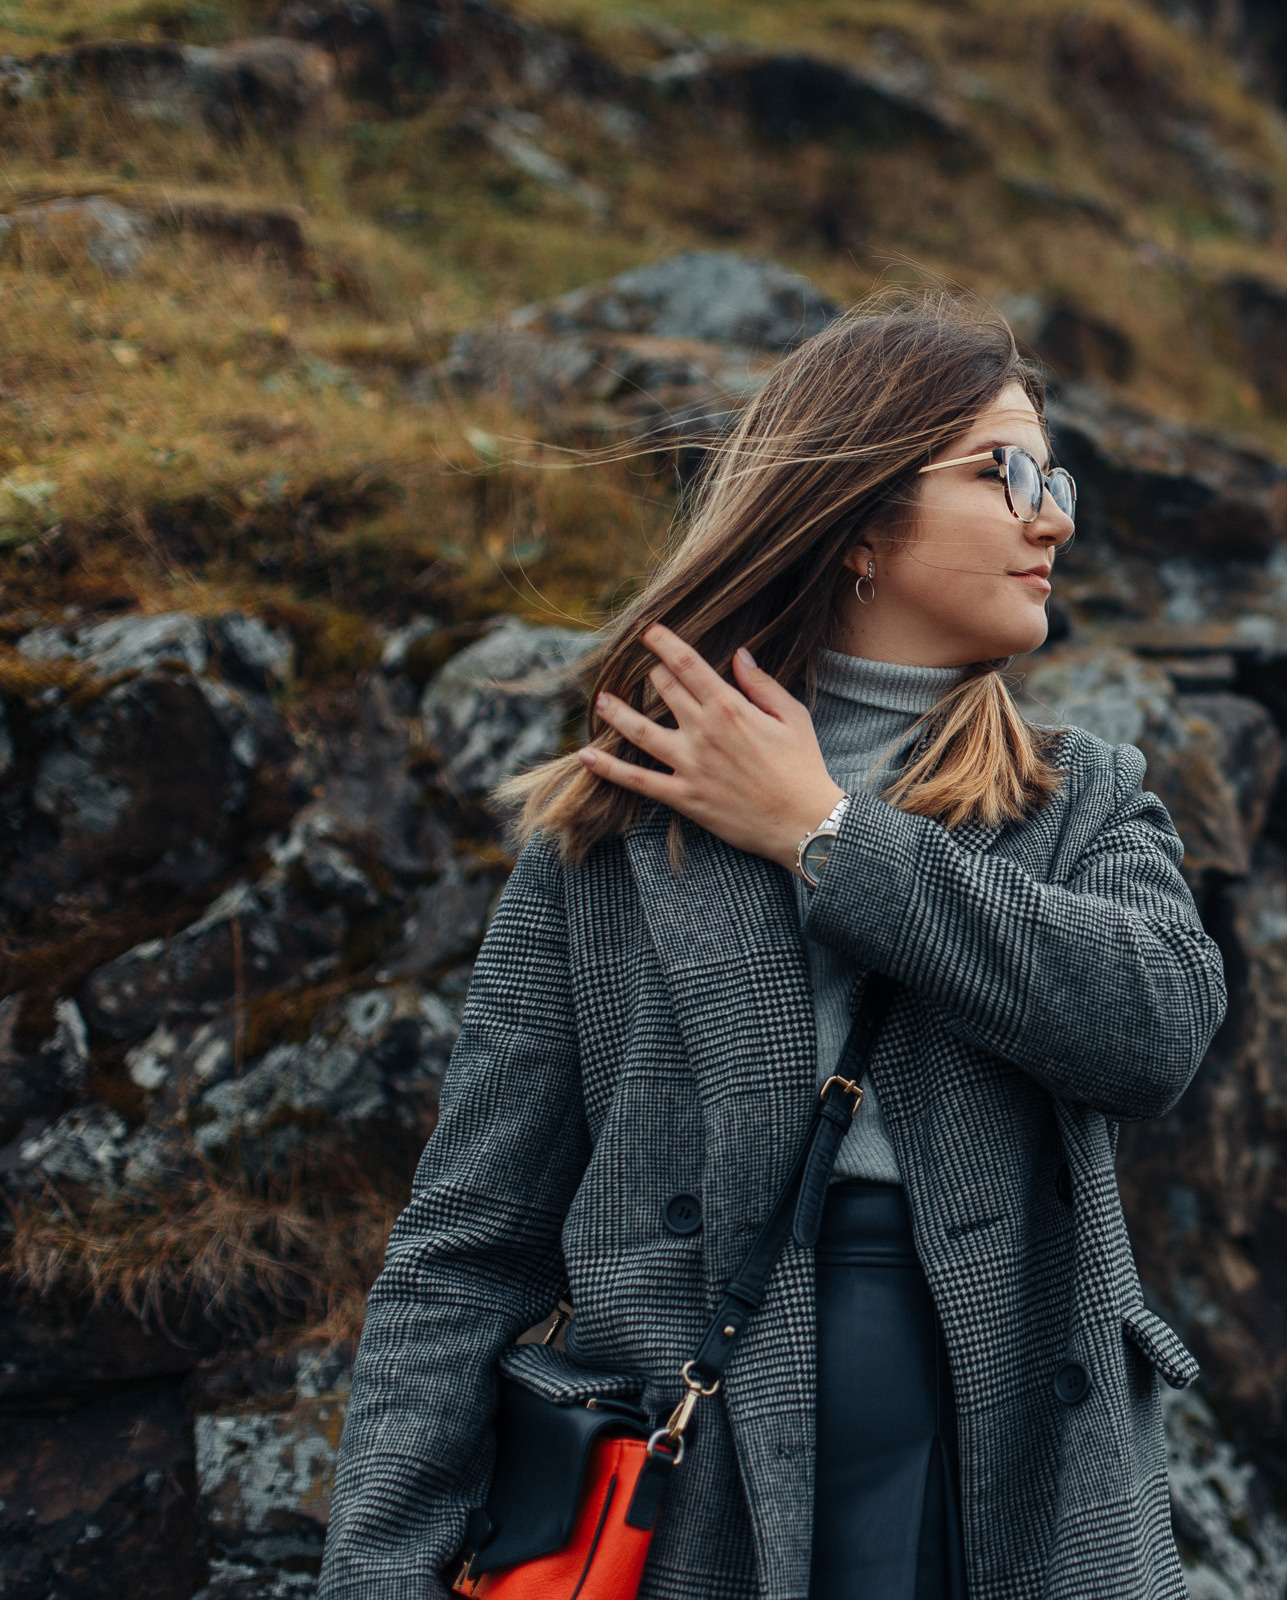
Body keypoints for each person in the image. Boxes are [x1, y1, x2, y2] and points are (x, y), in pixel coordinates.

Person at [320, 291, 1228, 1600]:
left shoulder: (1083, 798)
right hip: (712, 1485)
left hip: (1019, 1466)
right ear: (862, 517)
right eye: (1006, 471)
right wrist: (379, 1578)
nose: (1055, 515)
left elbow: (1152, 1033)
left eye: (1056, 477)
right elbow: (466, 1251)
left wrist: (826, 832)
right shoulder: (612, 836)